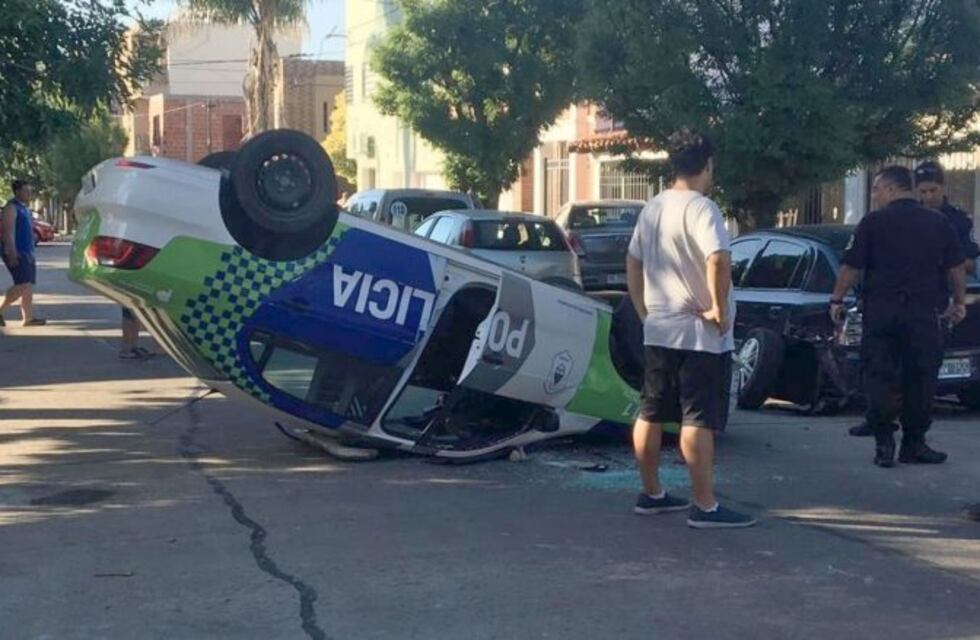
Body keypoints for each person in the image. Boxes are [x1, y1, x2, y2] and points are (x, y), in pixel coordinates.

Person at [626, 128, 755, 529]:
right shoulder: (703, 209)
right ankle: (705, 505)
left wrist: (643, 308)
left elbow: (632, 261)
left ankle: (651, 492)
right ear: (708, 165)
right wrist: (718, 308)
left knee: (650, 410)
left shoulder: (653, 208)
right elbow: (718, 259)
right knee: (697, 417)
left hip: (660, 327)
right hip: (700, 331)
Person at [831, 166, 967, 467]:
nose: (875, 195)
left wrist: (836, 299)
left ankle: (883, 443)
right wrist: (959, 301)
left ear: (892, 189)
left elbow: (851, 266)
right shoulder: (938, 223)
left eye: (877, 189)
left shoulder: (872, 223)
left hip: (882, 313)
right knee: (921, 378)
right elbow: (955, 267)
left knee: (880, 375)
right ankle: (913, 443)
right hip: (923, 314)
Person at [0, 180, 46, 327]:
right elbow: (7, 231)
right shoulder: (11, 208)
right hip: (16, 252)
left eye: (30, 190)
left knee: (27, 285)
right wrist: (11, 251)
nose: (30, 193)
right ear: (17, 191)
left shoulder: (24, 208)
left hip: (27, 252)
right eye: (26, 191)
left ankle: (28, 318)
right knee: (22, 284)